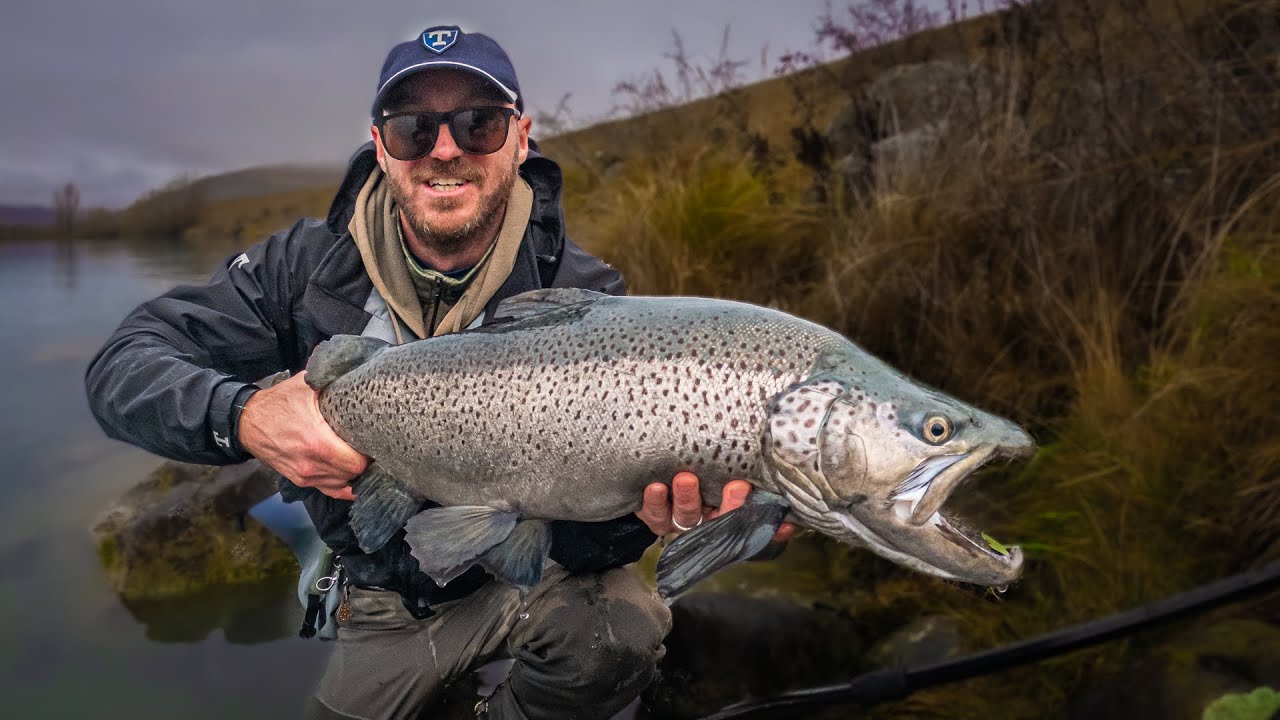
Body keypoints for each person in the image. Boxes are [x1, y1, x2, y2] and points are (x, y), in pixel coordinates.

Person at [85, 26, 793, 720]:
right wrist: (243, 417)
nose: (445, 149)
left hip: (531, 578)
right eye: (413, 129)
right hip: (383, 602)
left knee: (620, 634)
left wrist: (646, 516)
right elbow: (124, 366)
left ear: (521, 137)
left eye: (478, 123)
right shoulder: (299, 268)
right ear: (381, 149)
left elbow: (595, 545)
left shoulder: (586, 300)